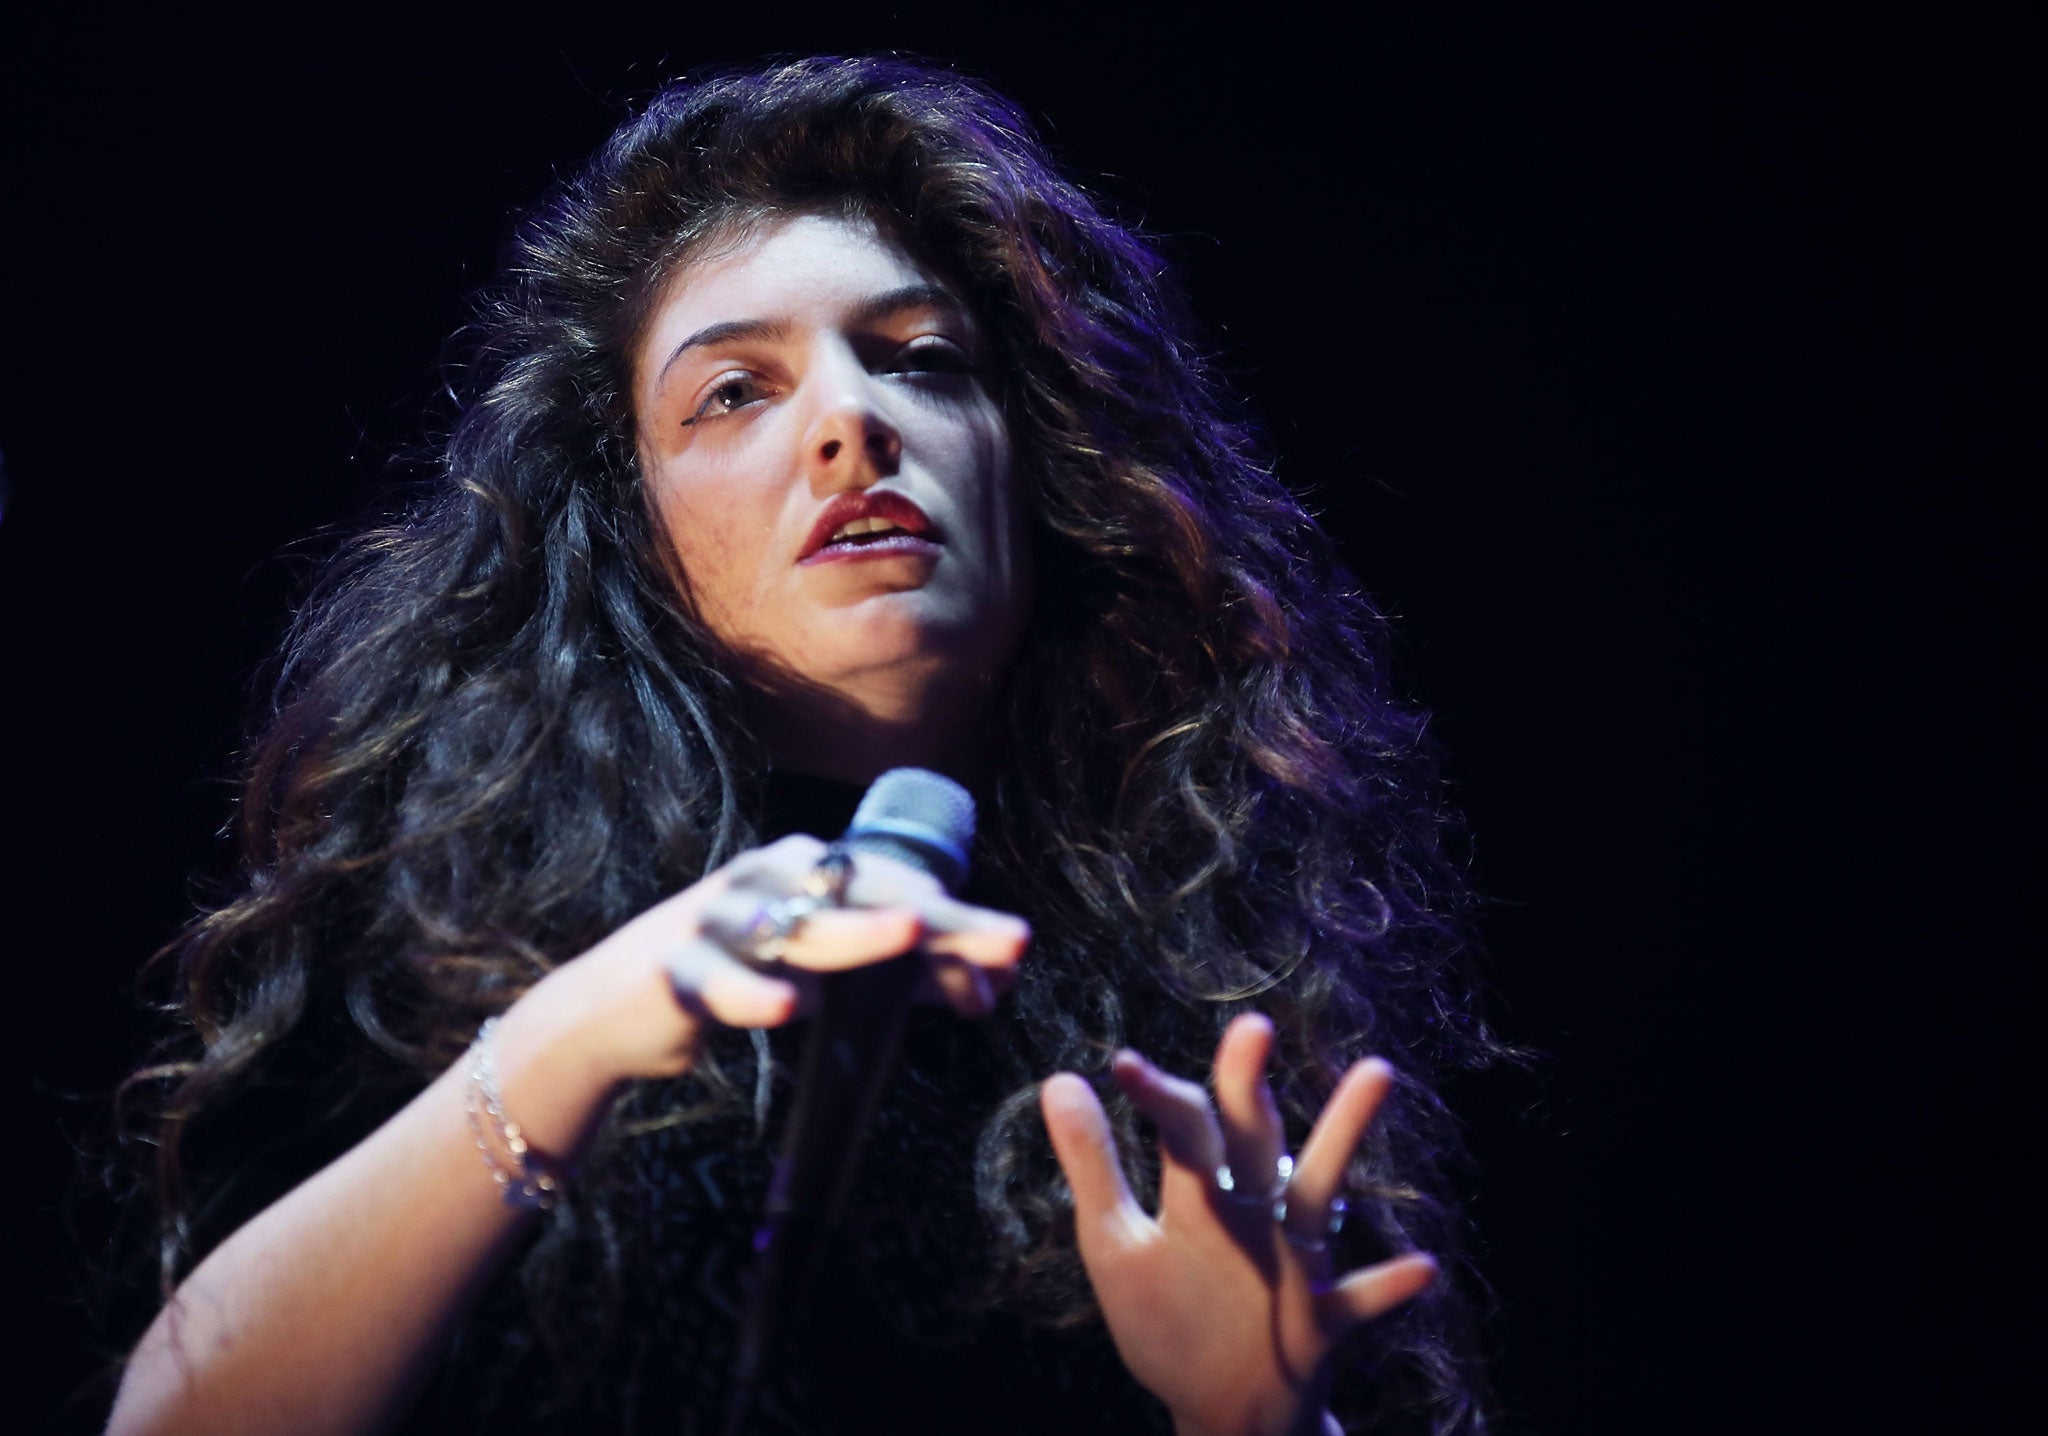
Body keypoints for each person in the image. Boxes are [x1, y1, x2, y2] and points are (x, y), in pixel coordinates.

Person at [105, 55, 1507, 1436]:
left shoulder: (1212, 1011)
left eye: (923, 362)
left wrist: (1262, 1424)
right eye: (731, 393)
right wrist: (573, 1033)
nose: (849, 420)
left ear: (1048, 471)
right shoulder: (443, 939)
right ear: (631, 527)